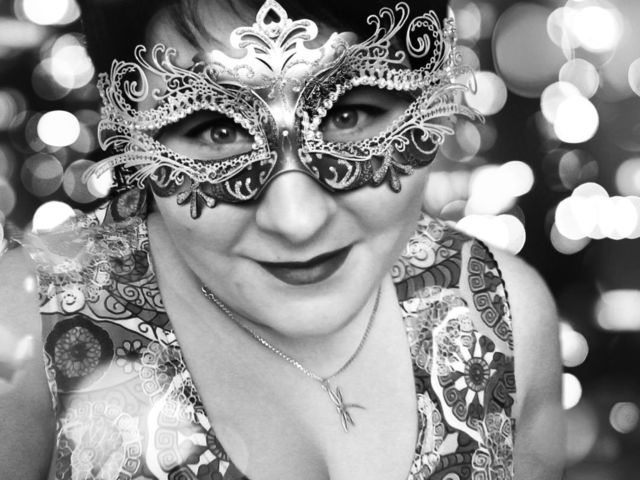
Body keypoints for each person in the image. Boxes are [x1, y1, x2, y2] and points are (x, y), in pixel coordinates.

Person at [0, 0, 565, 478]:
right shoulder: (32, 325)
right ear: (130, 130)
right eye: (217, 128)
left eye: (349, 113)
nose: (297, 220)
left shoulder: (504, 317)